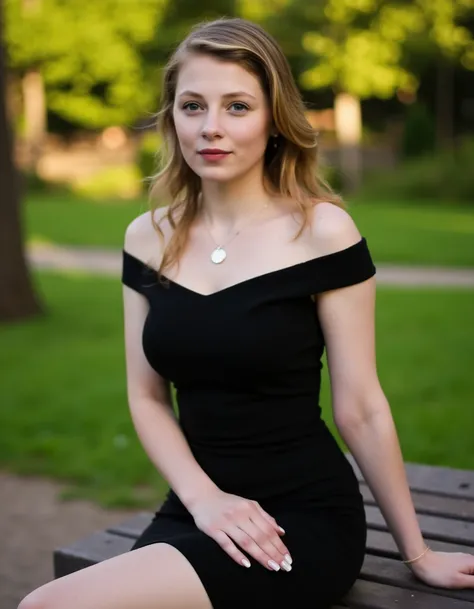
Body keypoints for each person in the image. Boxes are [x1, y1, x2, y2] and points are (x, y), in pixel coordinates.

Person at [19, 16, 474, 609]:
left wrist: (419, 555)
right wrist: (204, 500)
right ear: (171, 117)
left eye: (237, 106)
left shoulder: (323, 232)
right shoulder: (146, 237)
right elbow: (147, 397)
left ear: (274, 119)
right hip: (196, 508)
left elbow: (360, 407)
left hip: (301, 520)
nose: (211, 127)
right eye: (192, 106)